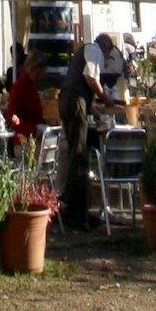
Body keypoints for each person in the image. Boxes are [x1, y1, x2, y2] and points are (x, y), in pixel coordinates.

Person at [59, 32, 117, 226]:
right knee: (79, 155)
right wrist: (105, 98)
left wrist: (94, 109)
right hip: (75, 101)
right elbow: (90, 77)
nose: (106, 60)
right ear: (105, 48)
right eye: (108, 56)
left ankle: (76, 210)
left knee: (75, 155)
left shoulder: (83, 52)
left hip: (67, 99)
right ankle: (76, 215)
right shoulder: (94, 49)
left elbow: (81, 84)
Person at [5, 51, 47, 140]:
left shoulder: (31, 86)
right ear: (31, 68)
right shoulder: (19, 87)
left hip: (34, 136)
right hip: (23, 139)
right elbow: (11, 117)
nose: (40, 77)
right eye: (38, 73)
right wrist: (32, 130)